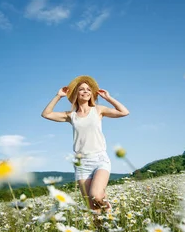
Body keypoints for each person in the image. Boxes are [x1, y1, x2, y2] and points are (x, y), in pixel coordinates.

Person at [41, 75, 129, 213]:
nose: (86, 91)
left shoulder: (98, 110)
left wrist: (108, 98)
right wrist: (58, 96)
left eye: (88, 89)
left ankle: (111, 214)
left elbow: (124, 112)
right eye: (82, 89)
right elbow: (46, 114)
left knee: (96, 196)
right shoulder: (71, 115)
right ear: (76, 93)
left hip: (100, 159)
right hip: (81, 163)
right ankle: (101, 231)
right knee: (92, 208)